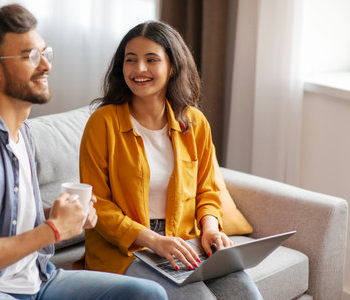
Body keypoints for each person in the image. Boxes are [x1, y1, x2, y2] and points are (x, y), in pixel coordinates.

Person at [0, 5, 168, 300]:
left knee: (147, 295)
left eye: (45, 53)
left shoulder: (22, 132)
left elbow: (4, 220)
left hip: (39, 277)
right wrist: (54, 230)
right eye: (31, 56)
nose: (46, 66)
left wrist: (60, 215)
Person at [78, 21, 263, 299]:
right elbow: (96, 204)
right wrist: (153, 240)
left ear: (172, 66)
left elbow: (207, 189)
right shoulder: (102, 123)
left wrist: (210, 228)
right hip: (127, 249)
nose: (139, 69)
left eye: (151, 59)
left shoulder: (195, 122)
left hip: (187, 240)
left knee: (245, 293)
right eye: (131, 60)